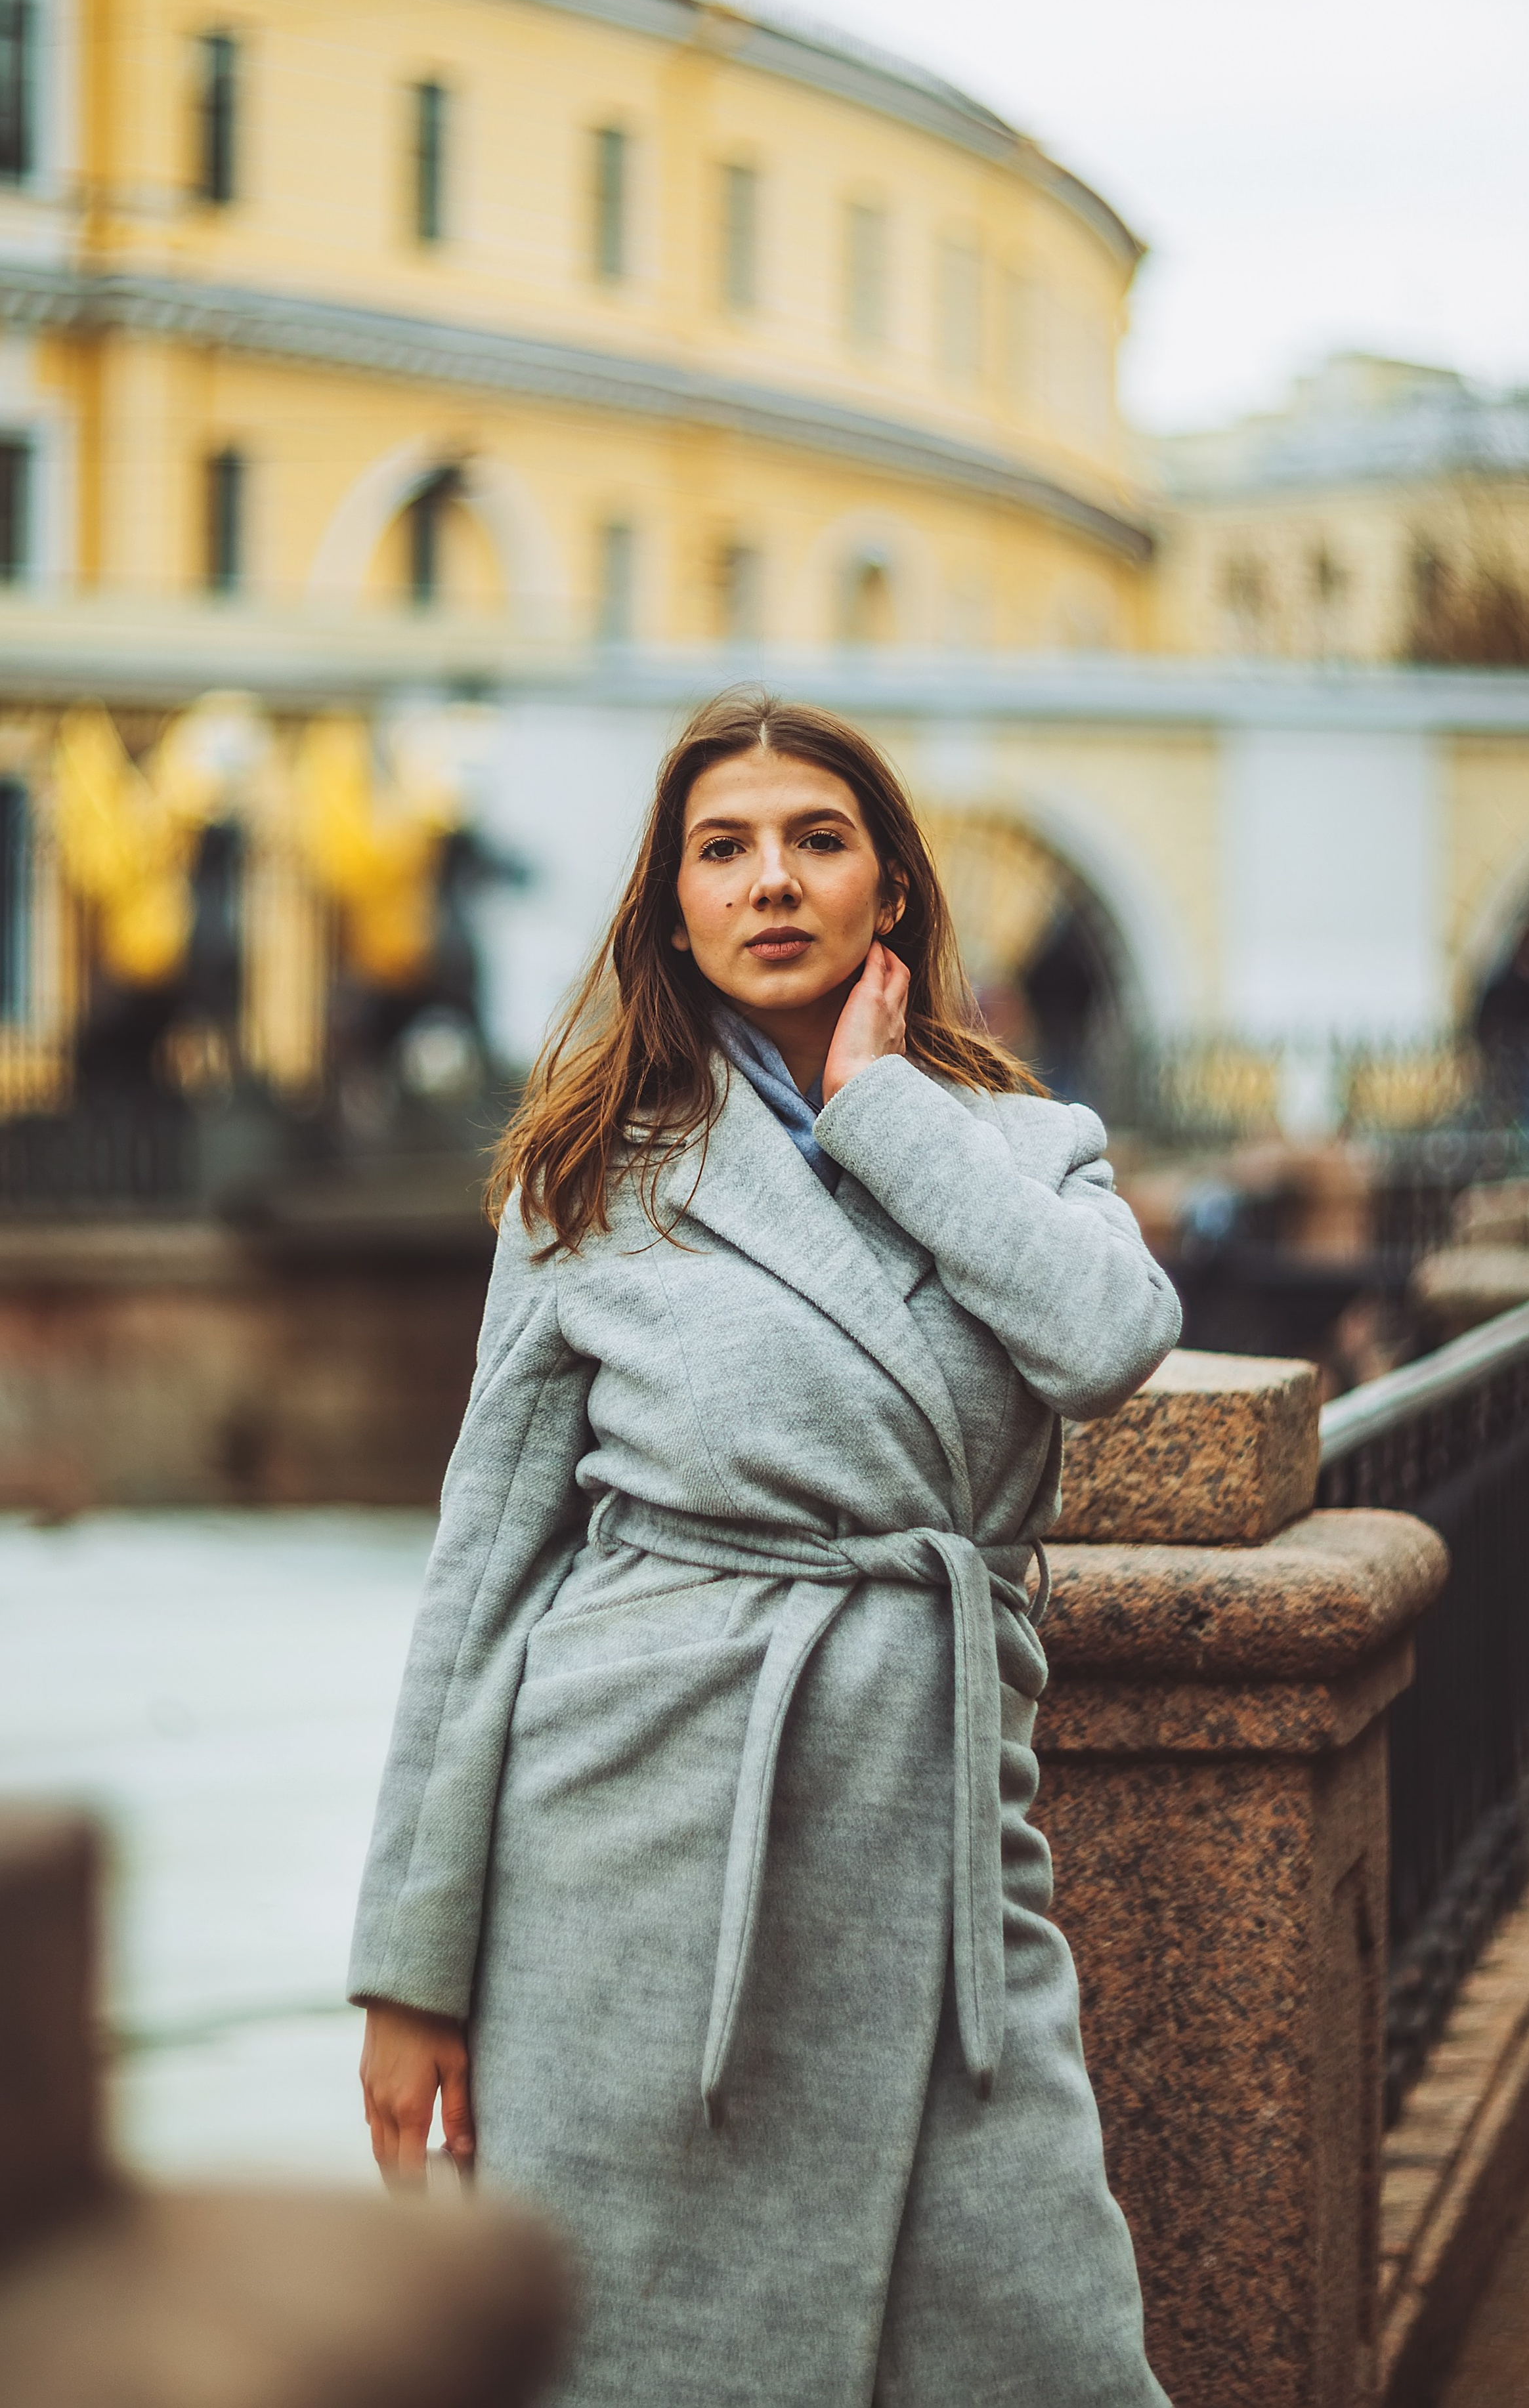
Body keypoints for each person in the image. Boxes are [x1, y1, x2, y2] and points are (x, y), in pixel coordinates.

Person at [351, 689, 1182, 2407]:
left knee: (1052, 2349)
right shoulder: (589, 1174)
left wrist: (883, 1111)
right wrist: (410, 1972)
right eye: (722, 851)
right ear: (673, 907)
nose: (771, 882)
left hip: (940, 1852)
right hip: (634, 1875)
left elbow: (1109, 1340)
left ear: (891, 890)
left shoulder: (1026, 1147)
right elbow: (484, 1578)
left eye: (817, 841)